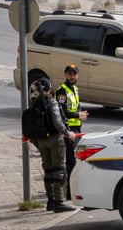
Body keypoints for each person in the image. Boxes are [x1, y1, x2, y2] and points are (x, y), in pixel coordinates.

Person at [28, 78, 77, 213]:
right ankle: (59, 201)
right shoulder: (52, 103)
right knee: (59, 170)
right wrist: (68, 133)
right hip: (55, 140)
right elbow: (58, 123)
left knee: (48, 170)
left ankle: (50, 201)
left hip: (41, 141)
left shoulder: (34, 105)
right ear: (49, 89)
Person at [55, 64, 89, 199]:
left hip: (76, 129)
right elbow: (62, 111)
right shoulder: (61, 91)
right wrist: (77, 115)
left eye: (74, 74)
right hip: (68, 130)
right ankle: (69, 192)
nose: (72, 76)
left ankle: (73, 188)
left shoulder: (75, 89)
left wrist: (81, 116)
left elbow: (77, 106)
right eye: (69, 74)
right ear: (65, 75)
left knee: (76, 159)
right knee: (70, 161)